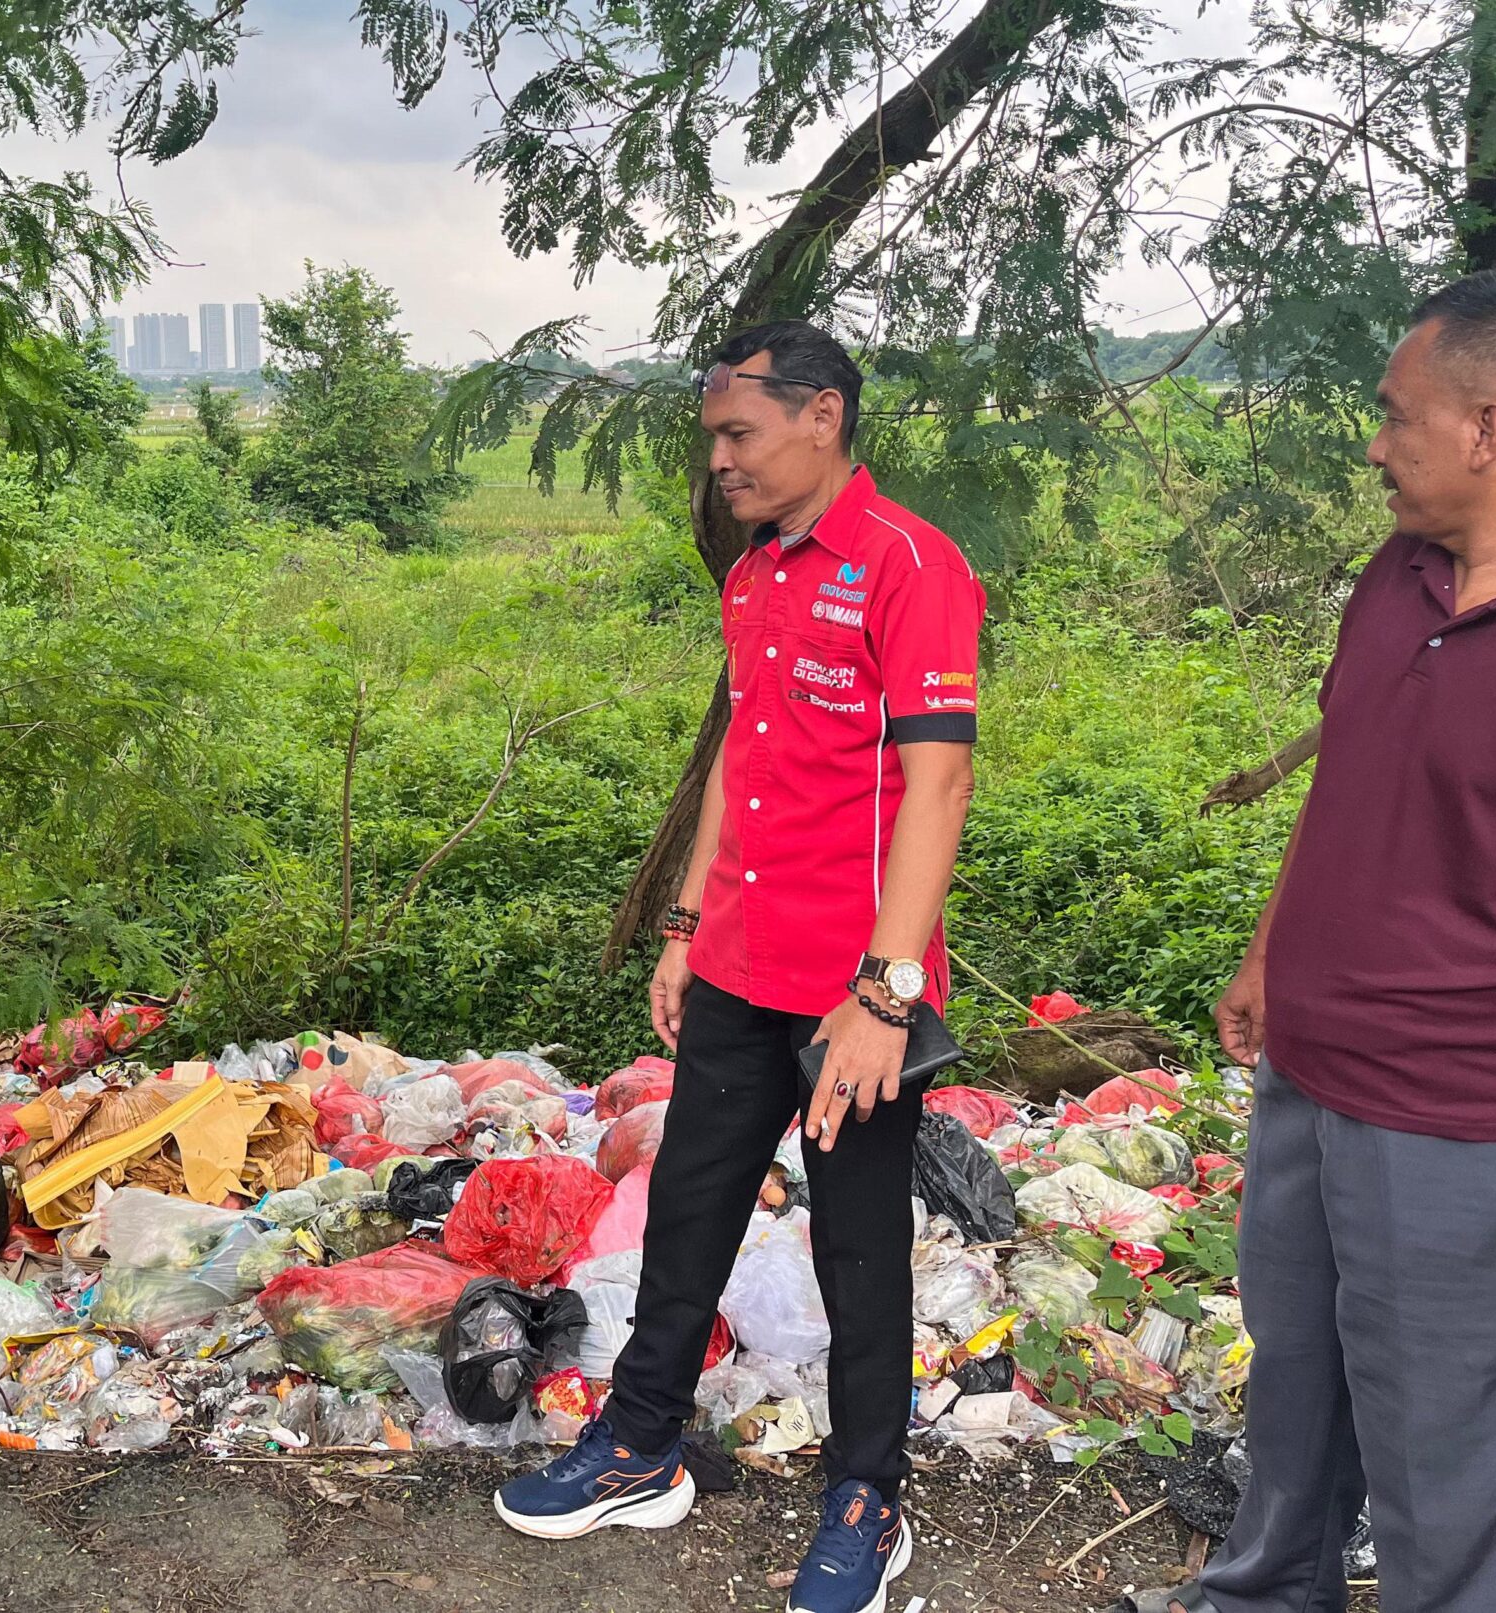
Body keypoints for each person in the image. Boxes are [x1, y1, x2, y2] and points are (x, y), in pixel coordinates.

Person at [1131, 270, 1496, 1613]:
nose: (1376, 444)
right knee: (1298, 1396)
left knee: (1460, 1467)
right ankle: (1262, 1594)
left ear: (1491, 427)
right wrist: (1273, 950)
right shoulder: (1400, 578)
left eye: (1399, 417)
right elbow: (1356, 772)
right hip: (1316, 1084)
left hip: (1480, 1123)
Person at [493, 320, 984, 1613]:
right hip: (737, 967)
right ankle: (642, 1442)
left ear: (822, 417)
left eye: (737, 434)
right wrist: (685, 920)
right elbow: (738, 755)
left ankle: (869, 1502)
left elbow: (938, 785)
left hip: (851, 999)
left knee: (859, 1250)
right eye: (713, 438)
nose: (719, 462)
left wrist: (890, 992)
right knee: (689, 1208)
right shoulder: (757, 576)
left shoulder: (911, 568)